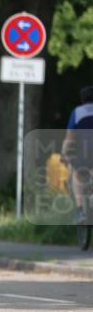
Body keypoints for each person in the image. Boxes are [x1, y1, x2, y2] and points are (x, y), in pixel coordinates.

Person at [62, 85, 93, 223]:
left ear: (82, 100)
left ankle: (81, 211)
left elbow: (69, 139)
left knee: (77, 174)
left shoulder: (77, 112)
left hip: (86, 152)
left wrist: (64, 154)